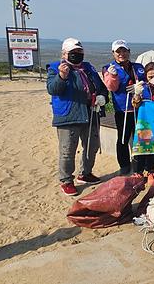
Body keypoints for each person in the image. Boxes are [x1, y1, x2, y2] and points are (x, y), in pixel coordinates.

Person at [46, 37, 107, 196]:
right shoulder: (55, 68)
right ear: (64, 53)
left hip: (91, 113)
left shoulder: (88, 68)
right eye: (73, 52)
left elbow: (100, 87)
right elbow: (53, 90)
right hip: (69, 115)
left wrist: (102, 96)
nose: (77, 55)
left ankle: (85, 173)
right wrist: (62, 76)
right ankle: (66, 180)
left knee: (92, 146)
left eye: (80, 52)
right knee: (67, 150)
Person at [102, 39, 146, 175]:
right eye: (118, 51)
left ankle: (140, 164)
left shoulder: (138, 67)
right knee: (123, 138)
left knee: (141, 137)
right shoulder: (108, 68)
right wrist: (113, 76)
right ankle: (125, 165)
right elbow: (112, 87)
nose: (122, 54)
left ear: (129, 52)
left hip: (140, 108)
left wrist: (139, 88)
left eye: (124, 51)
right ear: (113, 53)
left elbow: (146, 82)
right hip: (123, 109)